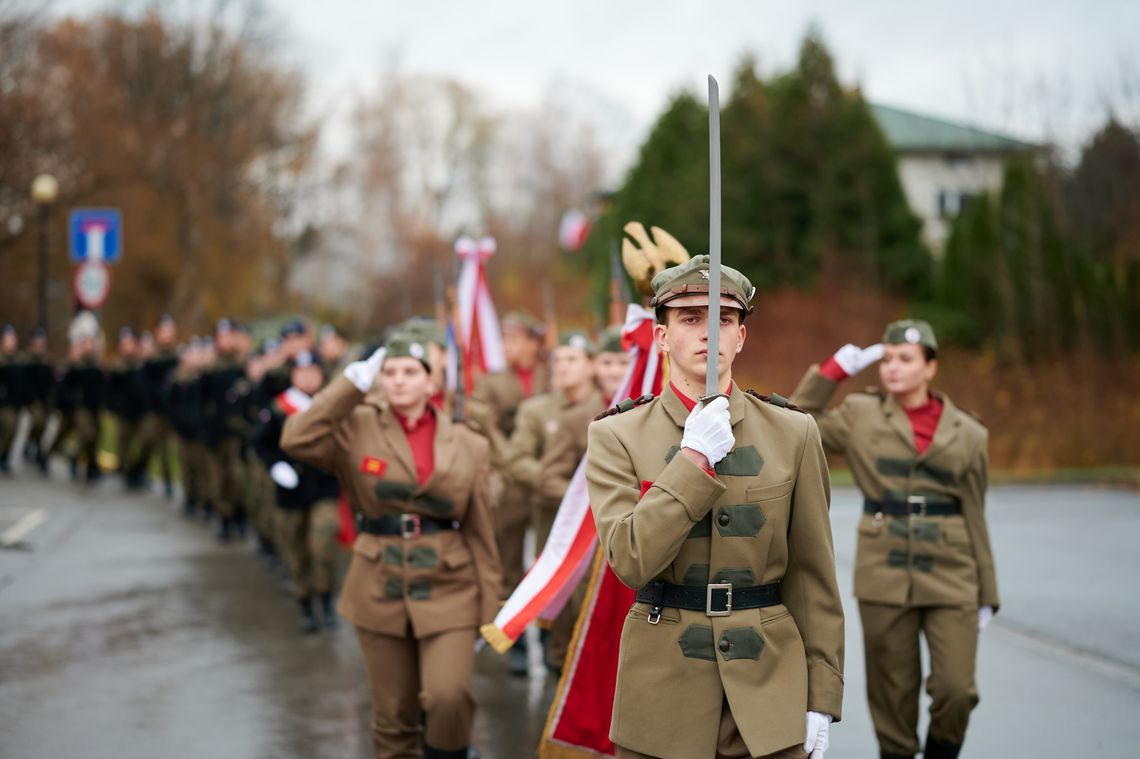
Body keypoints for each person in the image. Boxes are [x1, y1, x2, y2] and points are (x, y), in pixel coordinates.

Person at [586, 255, 844, 759]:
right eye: (689, 319)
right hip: (663, 694)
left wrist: (821, 694)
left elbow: (813, 577)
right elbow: (630, 559)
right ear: (661, 337)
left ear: (740, 336)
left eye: (723, 319)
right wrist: (694, 458)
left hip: (769, 688)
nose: (709, 332)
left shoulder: (793, 432)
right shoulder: (617, 435)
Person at [281, 333, 501, 759]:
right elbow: (296, 438)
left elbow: (480, 530)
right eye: (390, 372)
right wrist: (350, 385)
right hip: (379, 583)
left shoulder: (468, 441)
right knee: (394, 715)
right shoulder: (356, 425)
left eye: (410, 372)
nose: (399, 380)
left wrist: (490, 610)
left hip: (449, 584)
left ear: (431, 382)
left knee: (449, 697)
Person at [789, 320, 998, 759]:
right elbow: (795, 421)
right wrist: (834, 371)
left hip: (953, 570)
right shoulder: (860, 414)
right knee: (892, 693)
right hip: (883, 570)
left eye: (905, 359)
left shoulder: (969, 432)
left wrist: (987, 592)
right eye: (886, 359)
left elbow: (975, 513)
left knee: (956, 690)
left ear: (930, 367)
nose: (893, 368)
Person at [505, 330, 603, 673]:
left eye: (572, 359)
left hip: (601, 523)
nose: (562, 367)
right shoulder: (537, 410)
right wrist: (572, 494)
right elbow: (517, 460)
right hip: (553, 517)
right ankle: (555, 661)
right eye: (557, 360)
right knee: (558, 591)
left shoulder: (610, 405)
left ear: (591, 365)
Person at [253, 350, 341, 632]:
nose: (307, 378)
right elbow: (261, 443)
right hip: (290, 493)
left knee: (323, 543)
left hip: (324, 488)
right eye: (301, 373)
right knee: (294, 549)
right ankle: (306, 605)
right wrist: (276, 466)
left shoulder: (331, 405)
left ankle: (326, 599)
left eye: (312, 372)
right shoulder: (279, 408)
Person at [108, 327, 147, 489]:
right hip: (123, 412)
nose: (127, 347)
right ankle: (128, 473)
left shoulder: (141, 365)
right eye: (124, 344)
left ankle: (138, 471)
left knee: (143, 441)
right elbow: (112, 390)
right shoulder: (118, 367)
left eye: (129, 343)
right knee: (123, 444)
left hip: (140, 412)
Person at [20, 328, 54, 474]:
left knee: (44, 425)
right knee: (38, 421)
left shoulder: (47, 359)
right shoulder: (27, 358)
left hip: (44, 399)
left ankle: (34, 445)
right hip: (32, 399)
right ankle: (34, 447)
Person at [0, 325, 20, 473]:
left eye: (13, 339)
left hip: (12, 403)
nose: (11, 342)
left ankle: (5, 457)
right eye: (8, 339)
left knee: (11, 428)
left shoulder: (18, 360)